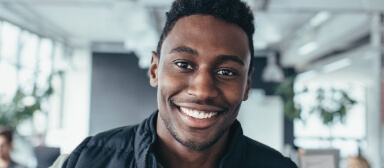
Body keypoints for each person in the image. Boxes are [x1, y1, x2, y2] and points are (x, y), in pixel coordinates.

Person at [59, 0, 298, 167]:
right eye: (184, 64)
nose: (203, 91)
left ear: (246, 85)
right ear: (155, 70)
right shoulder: (87, 160)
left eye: (226, 71)